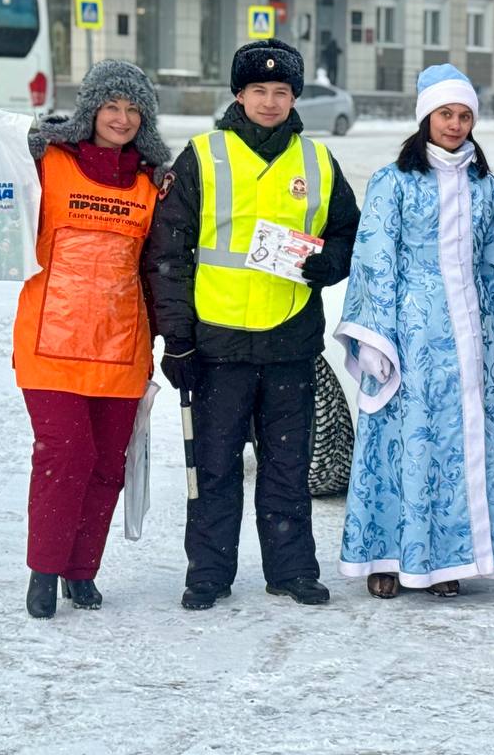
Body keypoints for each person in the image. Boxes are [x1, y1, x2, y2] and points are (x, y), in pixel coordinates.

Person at [144, 38, 360, 611]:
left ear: (295, 98)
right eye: (259, 90)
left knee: (287, 467)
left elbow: (346, 234)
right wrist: (178, 339)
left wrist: (329, 264)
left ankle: (291, 570)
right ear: (239, 94)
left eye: (281, 92)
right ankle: (209, 574)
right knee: (213, 470)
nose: (270, 101)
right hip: (215, 343)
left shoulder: (316, 162)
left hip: (290, 340)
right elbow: (166, 255)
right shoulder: (202, 155)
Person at [0, 61, 171, 619]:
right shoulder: (47, 161)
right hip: (49, 342)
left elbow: (159, 265)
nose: (122, 118)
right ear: (91, 109)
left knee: (106, 464)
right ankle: (44, 570)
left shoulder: (153, 180)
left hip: (123, 345)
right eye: (111, 106)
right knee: (65, 456)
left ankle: (82, 572)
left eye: (133, 109)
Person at [336, 65, 494, 598]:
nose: (456, 124)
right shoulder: (393, 181)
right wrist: (374, 336)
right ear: (426, 117)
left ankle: (447, 561)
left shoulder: (485, 187)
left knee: (456, 447)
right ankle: (387, 557)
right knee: (402, 442)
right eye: (446, 113)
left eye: (465, 115)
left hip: (469, 337)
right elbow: (374, 257)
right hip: (408, 334)